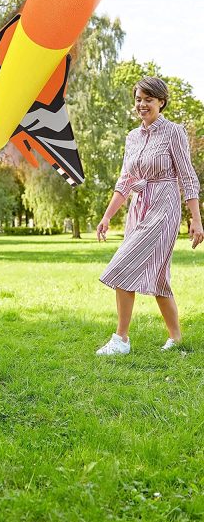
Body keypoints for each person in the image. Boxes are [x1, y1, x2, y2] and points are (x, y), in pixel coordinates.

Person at [96, 77, 203, 355]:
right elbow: (125, 180)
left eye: (148, 99)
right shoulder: (132, 137)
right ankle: (177, 338)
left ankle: (121, 340)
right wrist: (107, 217)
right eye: (138, 99)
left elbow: (187, 177)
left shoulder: (173, 132)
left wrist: (195, 218)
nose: (142, 105)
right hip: (138, 206)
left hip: (164, 207)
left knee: (121, 266)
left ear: (161, 102)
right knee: (158, 276)